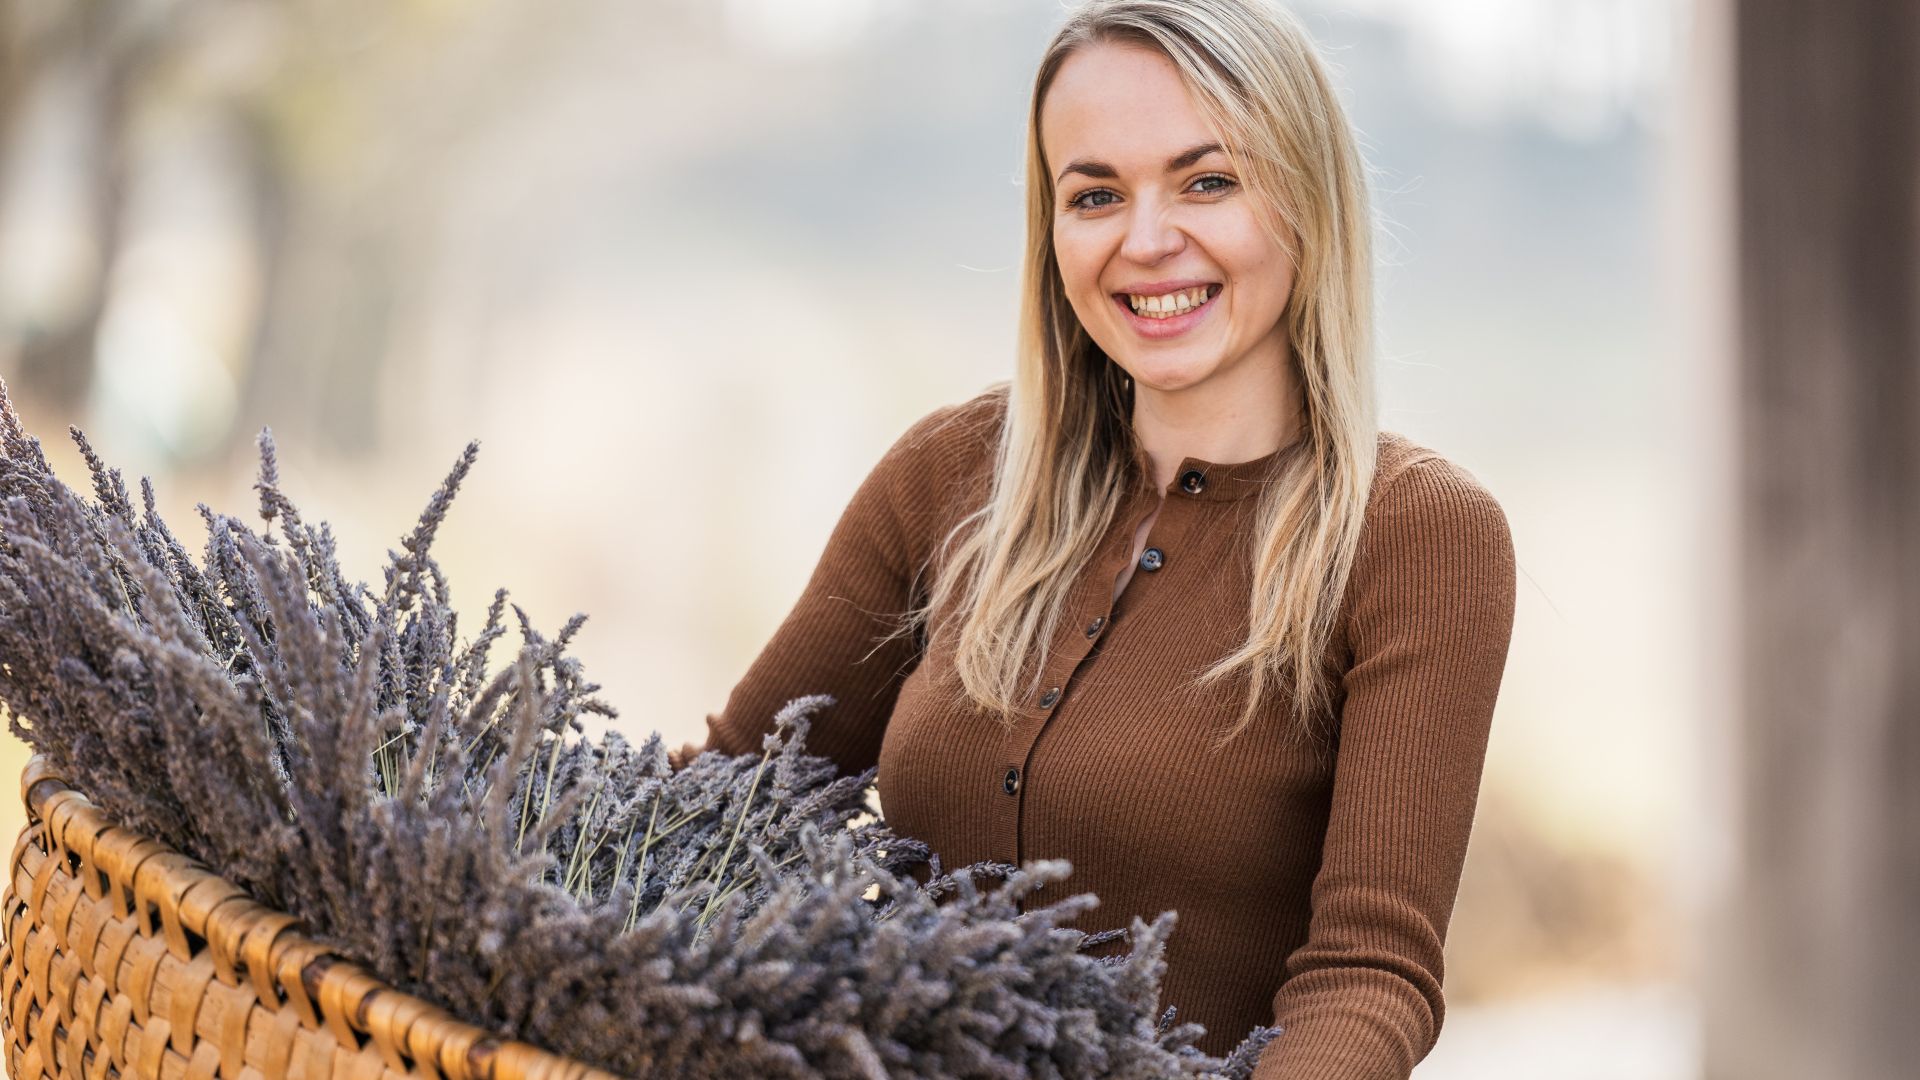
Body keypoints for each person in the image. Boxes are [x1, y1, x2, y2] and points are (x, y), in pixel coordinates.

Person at [670, 2, 1517, 1076]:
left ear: (1306, 198)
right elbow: (721, 810)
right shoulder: (949, 473)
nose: (1146, 239)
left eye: (1209, 181)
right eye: (1096, 194)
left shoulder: (1419, 537)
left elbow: (1370, 975)